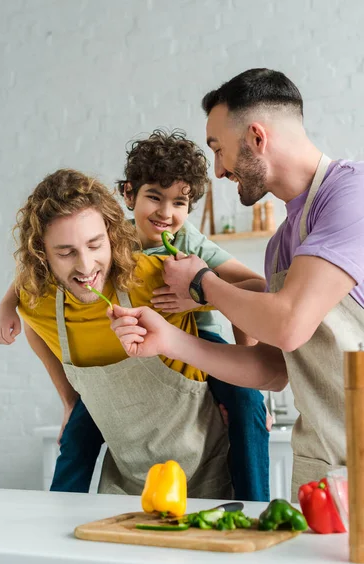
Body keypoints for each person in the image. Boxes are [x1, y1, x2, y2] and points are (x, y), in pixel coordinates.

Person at [110, 68, 364, 501]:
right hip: (319, 470)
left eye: (219, 149)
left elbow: (288, 324)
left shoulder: (351, 194)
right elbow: (272, 368)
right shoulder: (282, 244)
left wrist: (202, 284)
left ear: (256, 138)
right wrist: (169, 340)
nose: (220, 169)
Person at [0, 130, 271, 501]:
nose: (166, 213)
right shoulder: (108, 233)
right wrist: (7, 305)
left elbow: (252, 292)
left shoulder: (186, 251)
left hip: (200, 339)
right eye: (154, 197)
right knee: (77, 435)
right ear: (128, 196)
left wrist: (199, 292)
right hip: (119, 399)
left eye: (179, 203)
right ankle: (54, 512)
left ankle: (257, 504)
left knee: (245, 400)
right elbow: (31, 292)